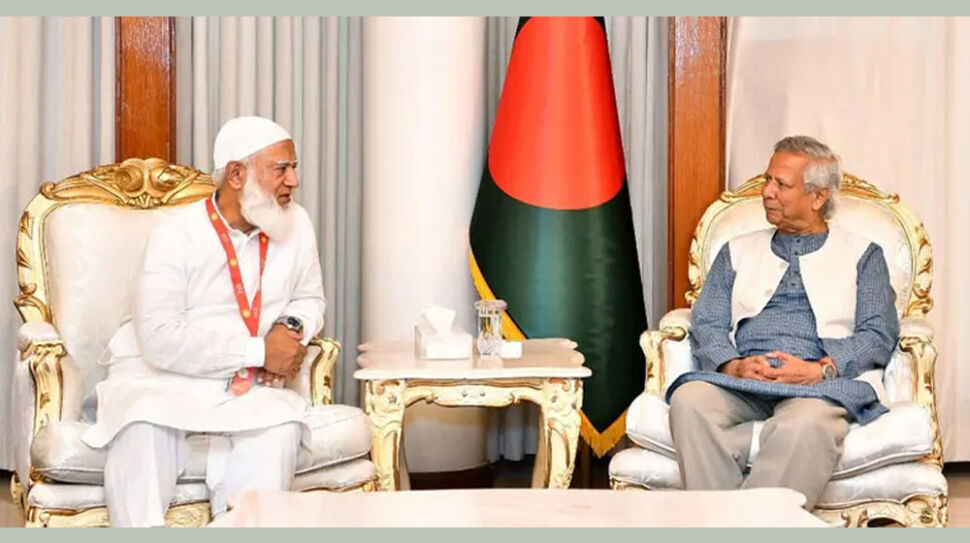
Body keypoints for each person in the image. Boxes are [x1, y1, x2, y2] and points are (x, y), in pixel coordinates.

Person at [82, 116, 326, 526]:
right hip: (162, 380)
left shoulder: (296, 223)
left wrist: (290, 326)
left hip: (249, 386)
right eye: (281, 169)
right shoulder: (175, 234)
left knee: (279, 430)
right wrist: (260, 351)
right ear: (237, 175)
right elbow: (159, 338)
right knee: (141, 429)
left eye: (294, 168)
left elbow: (310, 298)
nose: (294, 181)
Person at [666, 135, 899, 510]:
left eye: (781, 185)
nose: (766, 192)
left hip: (820, 383)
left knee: (805, 426)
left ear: (817, 197)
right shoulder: (736, 250)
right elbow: (707, 322)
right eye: (767, 180)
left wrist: (820, 369)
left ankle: (749, 529)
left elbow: (877, 334)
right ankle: (720, 524)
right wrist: (733, 364)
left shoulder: (863, 255)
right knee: (690, 401)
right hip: (743, 379)